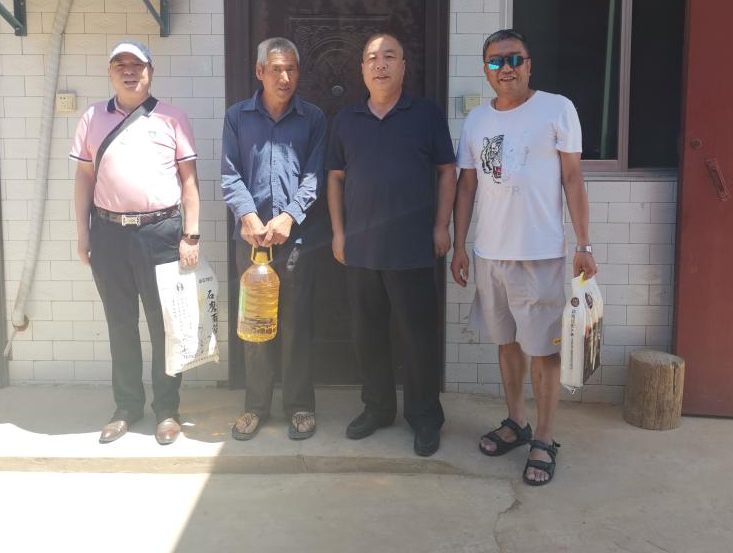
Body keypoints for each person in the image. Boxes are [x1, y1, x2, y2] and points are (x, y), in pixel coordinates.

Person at [451, 28, 597, 486]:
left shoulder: (557, 108)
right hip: (490, 254)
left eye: (514, 59)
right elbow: (467, 187)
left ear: (529, 65)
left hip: (539, 254)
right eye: (496, 61)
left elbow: (572, 178)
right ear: (486, 70)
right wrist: (459, 245)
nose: (506, 68)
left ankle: (545, 438)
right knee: (507, 343)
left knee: (544, 351)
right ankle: (517, 421)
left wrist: (584, 244)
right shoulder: (476, 121)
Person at [327, 33, 456, 457]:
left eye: (388, 57)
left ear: (403, 66)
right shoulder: (346, 119)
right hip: (361, 250)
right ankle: (378, 408)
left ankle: (424, 415)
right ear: (362, 70)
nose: (379, 64)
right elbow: (335, 178)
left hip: (413, 248)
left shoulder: (426, 115)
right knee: (367, 335)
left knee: (419, 338)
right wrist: (339, 232)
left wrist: (442, 226)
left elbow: (447, 171)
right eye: (371, 58)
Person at [71, 40, 200, 446]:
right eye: (120, 65)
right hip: (109, 233)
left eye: (137, 65)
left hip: (160, 232)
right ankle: (126, 407)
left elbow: (190, 182)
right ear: (110, 73)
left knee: (166, 327)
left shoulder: (172, 118)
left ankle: (167, 410)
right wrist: (83, 234)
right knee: (120, 324)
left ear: (150, 72)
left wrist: (191, 234)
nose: (129, 72)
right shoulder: (92, 117)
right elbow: (84, 179)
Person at [221, 37, 327, 441]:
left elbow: (314, 174)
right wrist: (248, 216)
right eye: (277, 69)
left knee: (297, 324)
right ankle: (255, 406)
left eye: (291, 70)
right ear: (260, 72)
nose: (285, 78)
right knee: (255, 324)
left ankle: (299, 406)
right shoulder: (237, 117)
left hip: (295, 240)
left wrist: (289, 216)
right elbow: (230, 173)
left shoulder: (313, 117)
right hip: (250, 241)